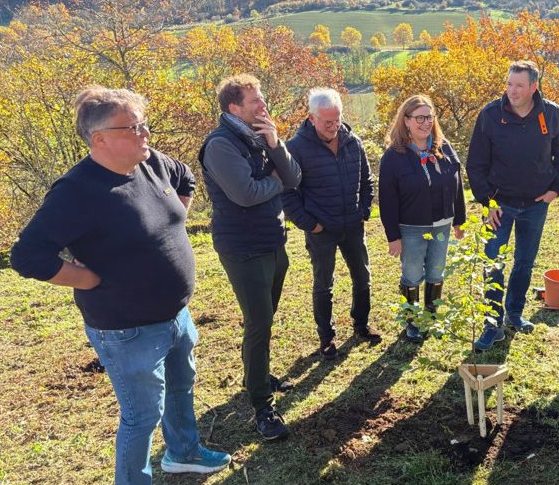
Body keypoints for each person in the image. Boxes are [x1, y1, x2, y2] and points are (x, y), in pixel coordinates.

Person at [10, 87, 230, 485]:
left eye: (144, 123)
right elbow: (28, 256)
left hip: (175, 315)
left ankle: (183, 453)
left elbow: (185, 177)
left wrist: (173, 219)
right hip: (127, 328)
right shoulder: (76, 192)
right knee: (141, 414)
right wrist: (87, 279)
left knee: (181, 388)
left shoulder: (149, 162)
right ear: (99, 139)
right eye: (133, 127)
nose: (145, 132)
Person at [199, 74, 302, 441]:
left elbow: (294, 176)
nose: (263, 106)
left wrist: (275, 144)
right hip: (243, 247)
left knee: (265, 318)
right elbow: (245, 193)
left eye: (262, 99)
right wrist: (276, 179)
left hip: (273, 240)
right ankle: (262, 405)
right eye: (255, 101)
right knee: (258, 322)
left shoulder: (261, 135)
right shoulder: (221, 144)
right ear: (234, 108)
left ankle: (256, 375)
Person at [465, 60, 559, 352]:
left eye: (519, 85)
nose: (512, 91)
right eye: (509, 84)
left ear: (533, 87)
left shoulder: (551, 114)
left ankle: (514, 313)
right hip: (499, 206)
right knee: (493, 264)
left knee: (524, 263)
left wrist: (555, 188)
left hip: (536, 205)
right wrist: (487, 202)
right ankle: (491, 324)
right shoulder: (490, 115)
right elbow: (475, 164)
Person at [282, 87, 379, 359]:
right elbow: (287, 193)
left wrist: (363, 211)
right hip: (321, 230)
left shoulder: (352, 141)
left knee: (363, 277)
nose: (334, 126)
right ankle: (326, 337)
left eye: (337, 120)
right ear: (312, 118)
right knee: (324, 284)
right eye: (327, 122)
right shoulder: (295, 148)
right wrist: (309, 224)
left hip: (352, 226)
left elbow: (366, 180)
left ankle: (361, 324)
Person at [379, 95, 467, 341]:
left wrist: (459, 219)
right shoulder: (394, 156)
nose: (425, 123)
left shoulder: (443, 147)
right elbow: (387, 200)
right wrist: (393, 237)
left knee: (436, 272)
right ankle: (413, 321)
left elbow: (457, 184)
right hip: (411, 227)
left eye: (429, 117)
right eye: (419, 118)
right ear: (406, 121)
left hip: (442, 224)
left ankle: (431, 316)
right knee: (413, 272)